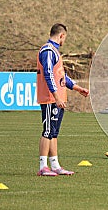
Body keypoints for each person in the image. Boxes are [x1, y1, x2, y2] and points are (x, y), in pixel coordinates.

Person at [36, 23, 90, 176]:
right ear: (62, 36)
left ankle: (55, 165)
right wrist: (56, 96)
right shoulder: (47, 50)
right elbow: (48, 74)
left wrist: (77, 88)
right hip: (49, 98)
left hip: (58, 99)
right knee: (47, 131)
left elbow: (61, 76)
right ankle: (42, 166)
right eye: (64, 38)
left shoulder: (55, 52)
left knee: (54, 132)